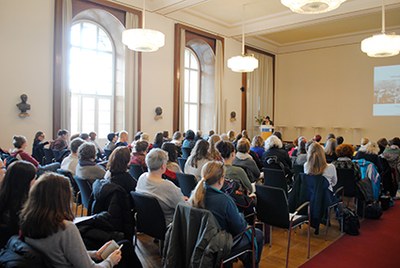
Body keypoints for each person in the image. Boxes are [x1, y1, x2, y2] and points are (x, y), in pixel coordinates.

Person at [20, 173, 123, 267]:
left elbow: (59, 253)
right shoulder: (65, 228)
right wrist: (111, 261)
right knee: (125, 247)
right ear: (63, 199)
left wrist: (94, 254)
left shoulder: (27, 221)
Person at [189, 161, 263, 268]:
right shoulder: (225, 200)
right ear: (221, 180)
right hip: (219, 244)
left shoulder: (195, 195)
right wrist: (241, 218)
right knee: (258, 234)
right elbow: (240, 228)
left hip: (200, 239)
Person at [92, 147, 136, 240]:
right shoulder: (128, 181)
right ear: (127, 161)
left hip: (105, 218)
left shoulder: (107, 175)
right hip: (122, 219)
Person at [136, 149, 185, 225]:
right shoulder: (168, 186)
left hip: (145, 223)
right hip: (168, 227)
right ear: (163, 166)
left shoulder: (141, 177)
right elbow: (184, 208)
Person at [0, 161, 36, 248]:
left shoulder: (3, 198)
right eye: (34, 178)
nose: (36, 182)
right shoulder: (26, 209)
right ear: (26, 182)